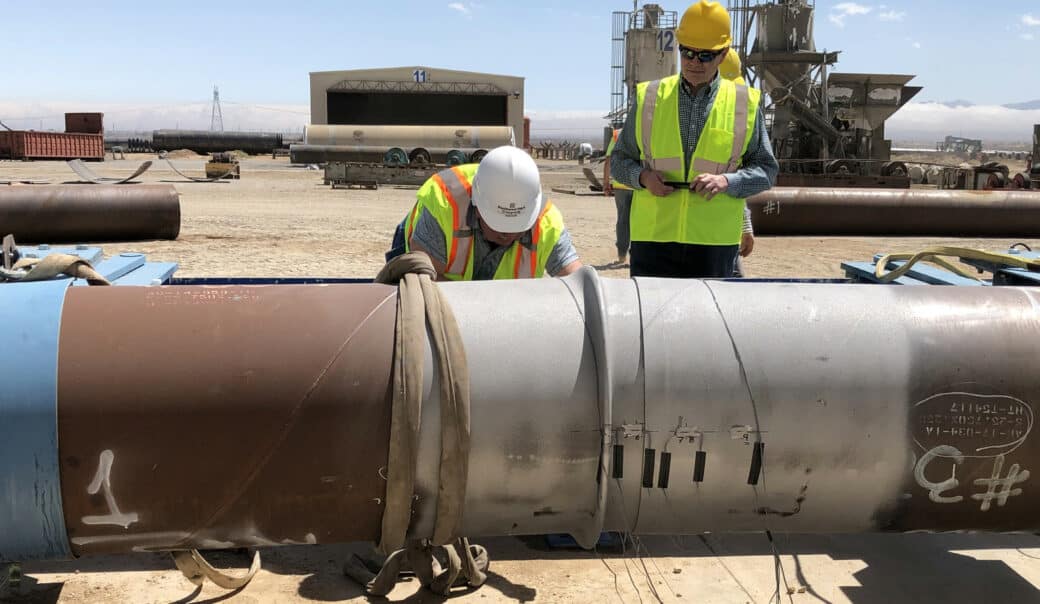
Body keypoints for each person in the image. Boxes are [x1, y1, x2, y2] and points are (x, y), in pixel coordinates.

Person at [610, 0, 778, 278]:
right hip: (653, 240)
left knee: (708, 321)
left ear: (723, 55)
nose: (694, 62)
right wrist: (642, 177)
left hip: (713, 244)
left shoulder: (743, 104)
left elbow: (766, 171)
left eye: (705, 56)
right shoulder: (649, 98)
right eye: (687, 52)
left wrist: (727, 181)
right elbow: (619, 161)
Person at [387, 145, 582, 280]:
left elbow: (577, 282)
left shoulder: (548, 222)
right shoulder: (444, 203)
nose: (508, 235)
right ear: (476, 206)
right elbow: (426, 283)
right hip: (417, 249)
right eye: (498, 225)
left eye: (518, 227)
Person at [602, 128, 633, 266]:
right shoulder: (645, 128)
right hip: (641, 184)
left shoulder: (617, 134)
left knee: (623, 221)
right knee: (639, 221)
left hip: (621, 185)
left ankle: (622, 256)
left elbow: (609, 159)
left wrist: (606, 182)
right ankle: (636, 256)